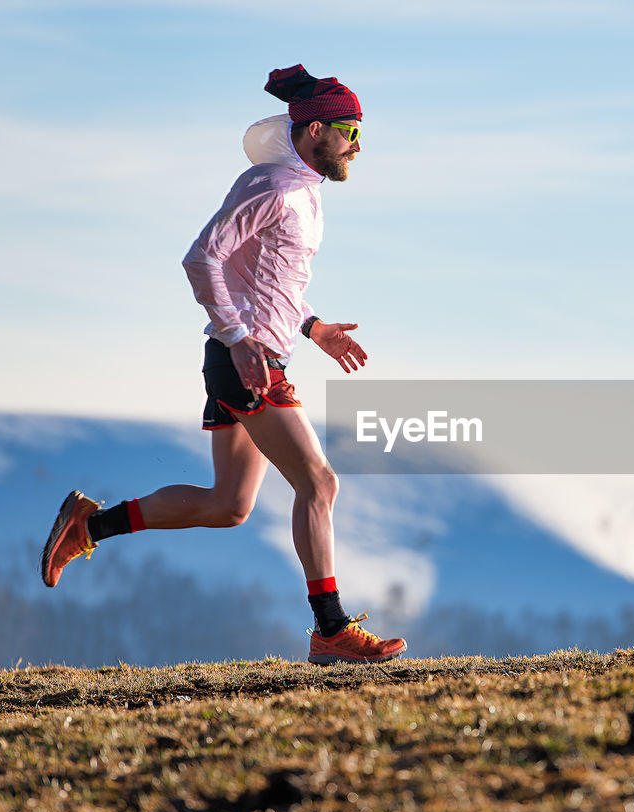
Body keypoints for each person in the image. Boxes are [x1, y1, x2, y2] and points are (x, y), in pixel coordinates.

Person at [39, 64, 406, 665]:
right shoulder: (270, 185)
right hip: (248, 360)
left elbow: (263, 278)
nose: (358, 145)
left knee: (229, 506)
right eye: (349, 130)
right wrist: (239, 338)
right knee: (319, 482)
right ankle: (331, 630)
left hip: (253, 352)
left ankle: (89, 524)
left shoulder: (302, 194)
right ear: (315, 129)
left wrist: (313, 327)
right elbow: (202, 259)